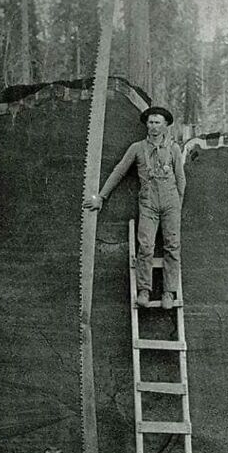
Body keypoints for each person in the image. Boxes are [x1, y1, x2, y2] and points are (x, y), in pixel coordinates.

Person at [84, 106, 185, 310]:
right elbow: (119, 171)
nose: (153, 126)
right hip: (148, 204)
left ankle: (168, 292)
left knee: (172, 246)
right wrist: (101, 197)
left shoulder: (173, 149)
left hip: (171, 203)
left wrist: (177, 207)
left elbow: (181, 180)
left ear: (165, 125)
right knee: (145, 246)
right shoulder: (137, 148)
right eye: (150, 122)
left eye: (157, 122)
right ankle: (144, 290)